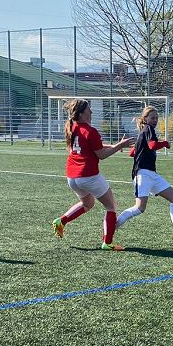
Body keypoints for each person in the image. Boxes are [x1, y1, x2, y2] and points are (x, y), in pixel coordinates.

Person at [51, 99, 133, 250]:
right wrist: (120, 145)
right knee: (111, 206)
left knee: (87, 204)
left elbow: (91, 147)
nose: (91, 112)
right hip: (88, 176)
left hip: (72, 177)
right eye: (89, 109)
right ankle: (107, 243)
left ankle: (61, 221)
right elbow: (101, 154)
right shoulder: (90, 131)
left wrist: (115, 146)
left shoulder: (72, 127)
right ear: (81, 114)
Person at [114, 106, 173, 245]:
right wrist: (165, 143)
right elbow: (152, 145)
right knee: (139, 208)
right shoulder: (148, 129)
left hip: (151, 174)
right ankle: (112, 227)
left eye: (156, 118)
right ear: (145, 119)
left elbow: (132, 153)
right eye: (152, 118)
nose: (155, 120)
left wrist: (139, 147)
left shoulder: (143, 132)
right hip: (143, 174)